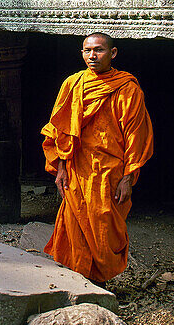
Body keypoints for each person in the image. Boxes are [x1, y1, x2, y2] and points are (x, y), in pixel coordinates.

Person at [41, 32, 154, 283]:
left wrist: (128, 178)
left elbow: (136, 135)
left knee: (104, 226)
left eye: (99, 50)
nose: (92, 55)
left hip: (109, 170)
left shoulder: (128, 89)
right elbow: (57, 130)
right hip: (76, 167)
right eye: (87, 50)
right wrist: (60, 167)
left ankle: (99, 281)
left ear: (112, 53)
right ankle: (76, 281)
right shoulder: (73, 84)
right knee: (74, 222)